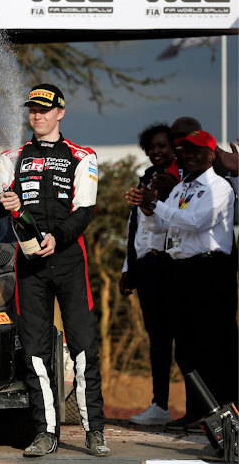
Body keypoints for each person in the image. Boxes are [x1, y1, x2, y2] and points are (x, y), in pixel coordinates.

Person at [0, 84, 109, 457]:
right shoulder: (13, 156)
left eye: (44, 109)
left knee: (83, 346)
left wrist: (58, 237)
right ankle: (46, 432)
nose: (37, 115)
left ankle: (94, 432)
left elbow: (85, 210)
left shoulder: (82, 155)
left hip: (69, 258)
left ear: (60, 112)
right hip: (29, 263)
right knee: (36, 352)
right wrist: (3, 199)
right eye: (32, 110)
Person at [126, 130, 238, 432]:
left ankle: (222, 413)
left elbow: (196, 222)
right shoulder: (181, 188)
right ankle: (196, 410)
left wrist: (157, 204)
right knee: (185, 348)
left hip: (210, 272)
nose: (189, 155)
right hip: (181, 272)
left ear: (211, 155)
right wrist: (147, 207)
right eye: (185, 150)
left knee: (211, 346)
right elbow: (162, 227)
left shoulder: (220, 186)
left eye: (196, 150)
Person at [119, 123, 176, 425]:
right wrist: (129, 268)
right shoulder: (145, 179)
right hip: (146, 268)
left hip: (174, 266)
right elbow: (136, 228)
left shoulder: (180, 180)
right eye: (151, 147)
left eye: (162, 146)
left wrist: (156, 201)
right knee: (157, 338)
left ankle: (204, 406)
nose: (156, 151)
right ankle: (160, 405)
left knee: (186, 339)